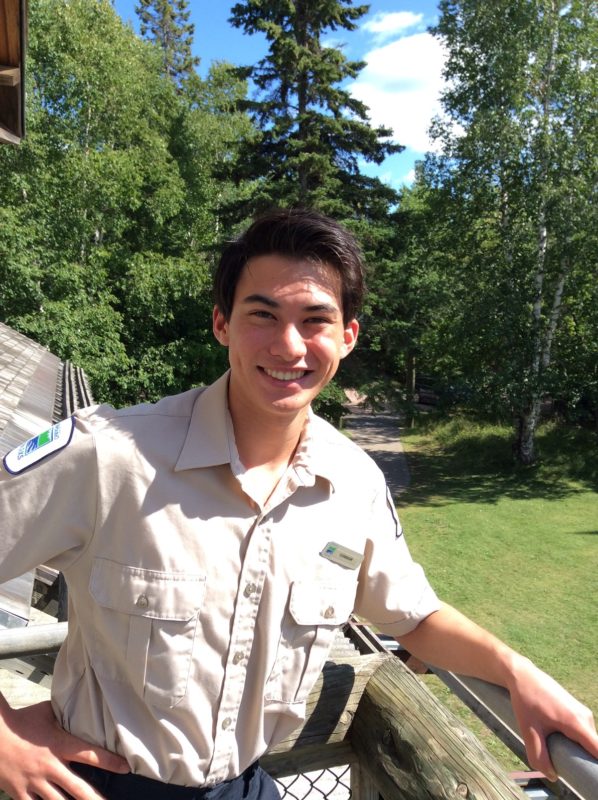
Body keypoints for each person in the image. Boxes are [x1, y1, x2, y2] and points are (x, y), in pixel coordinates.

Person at [0, 208, 596, 800]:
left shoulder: (353, 484)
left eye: (316, 319)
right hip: (104, 785)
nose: (290, 345)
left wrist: (519, 673)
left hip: (244, 785)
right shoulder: (110, 457)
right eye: (263, 314)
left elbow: (411, 617)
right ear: (222, 323)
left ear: (347, 337)